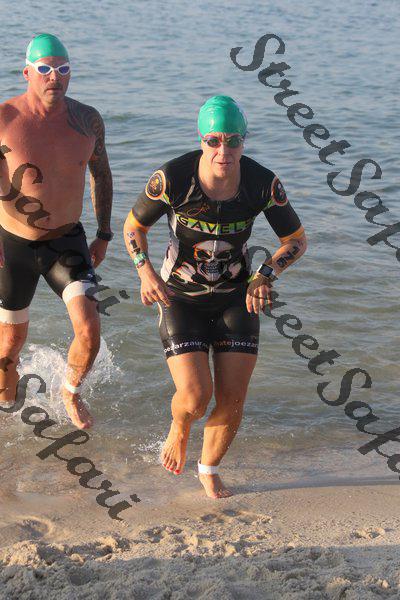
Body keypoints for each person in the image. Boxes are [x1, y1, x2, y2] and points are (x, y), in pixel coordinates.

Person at [124, 95, 306, 498]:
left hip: (236, 299)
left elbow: (295, 240)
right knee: (194, 398)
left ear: (244, 140)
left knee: (232, 399)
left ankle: (208, 468)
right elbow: (134, 227)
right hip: (179, 299)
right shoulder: (172, 178)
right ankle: (180, 426)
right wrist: (144, 271)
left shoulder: (262, 183)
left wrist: (265, 275)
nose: (224, 151)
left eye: (233, 141)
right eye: (214, 141)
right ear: (201, 139)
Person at [0, 33, 113, 429]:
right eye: (45, 69)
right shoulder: (5, 119)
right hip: (12, 245)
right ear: (27, 73)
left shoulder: (87, 120)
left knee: (90, 331)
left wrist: (104, 233)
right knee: (8, 348)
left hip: (67, 242)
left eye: (63, 69)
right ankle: (6, 413)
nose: (55, 77)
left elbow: (101, 174)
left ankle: (70, 391)